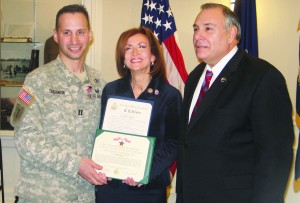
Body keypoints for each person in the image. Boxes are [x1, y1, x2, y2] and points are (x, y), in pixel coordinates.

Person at [176, 3, 294, 203]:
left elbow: (275, 156)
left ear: (231, 34)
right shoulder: (195, 77)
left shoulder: (262, 77)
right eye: (196, 29)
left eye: (208, 28)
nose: (197, 36)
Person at [10, 4, 107, 202]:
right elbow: (26, 141)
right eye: (66, 32)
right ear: (56, 35)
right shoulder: (36, 81)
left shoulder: (99, 84)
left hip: (85, 196)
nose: (74, 40)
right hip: (43, 196)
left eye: (80, 32)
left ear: (90, 35)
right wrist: (75, 164)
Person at [95, 26, 182, 203]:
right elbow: (104, 135)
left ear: (153, 56)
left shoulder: (170, 95)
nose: (135, 52)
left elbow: (174, 142)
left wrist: (145, 171)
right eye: (128, 48)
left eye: (142, 46)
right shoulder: (111, 90)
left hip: (149, 188)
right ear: (123, 58)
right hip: (111, 186)